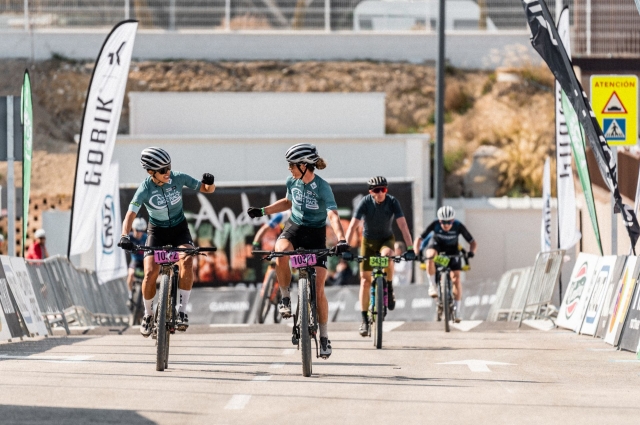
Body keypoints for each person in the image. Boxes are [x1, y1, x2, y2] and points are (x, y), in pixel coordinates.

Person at [246, 143, 348, 359]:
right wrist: (262, 211)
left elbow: (333, 215)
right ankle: (285, 298)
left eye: (291, 165)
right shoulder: (292, 180)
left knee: (319, 289)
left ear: (304, 165)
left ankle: (324, 336)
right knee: (280, 253)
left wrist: (341, 238)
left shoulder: (323, 187)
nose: (289, 169)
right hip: (294, 227)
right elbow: (287, 202)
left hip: (316, 233)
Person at [117, 147, 216, 337]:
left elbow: (206, 189)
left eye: (168, 167)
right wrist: (124, 235)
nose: (167, 172)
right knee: (149, 273)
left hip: (180, 229)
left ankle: (182, 310)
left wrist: (210, 184)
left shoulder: (178, 178)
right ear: (150, 172)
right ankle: (148, 314)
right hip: (157, 232)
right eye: (162, 170)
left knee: (187, 261)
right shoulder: (145, 189)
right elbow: (130, 214)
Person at [344, 176, 415, 337]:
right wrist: (346, 248)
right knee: (364, 280)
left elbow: (403, 226)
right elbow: (353, 226)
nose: (381, 193)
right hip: (368, 242)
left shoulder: (392, 202)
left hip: (385, 240)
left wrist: (410, 248)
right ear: (371, 192)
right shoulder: (365, 203)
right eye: (377, 190)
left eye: (384, 189)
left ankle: (388, 288)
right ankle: (364, 320)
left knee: (388, 256)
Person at [415, 205, 477, 322]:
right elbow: (419, 239)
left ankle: (457, 310)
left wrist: (471, 252)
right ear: (439, 220)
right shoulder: (435, 225)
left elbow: (473, 242)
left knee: (456, 279)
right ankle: (432, 286)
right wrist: (416, 253)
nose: (447, 225)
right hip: (437, 250)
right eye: (444, 222)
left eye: (449, 222)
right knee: (430, 257)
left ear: (453, 220)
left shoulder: (458, 226)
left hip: (453, 252)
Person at [126, 217, 148, 305]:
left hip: (145, 261)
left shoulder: (146, 237)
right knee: (131, 274)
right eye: (137, 230)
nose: (139, 233)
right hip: (135, 261)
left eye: (141, 230)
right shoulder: (130, 236)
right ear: (133, 228)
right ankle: (130, 295)